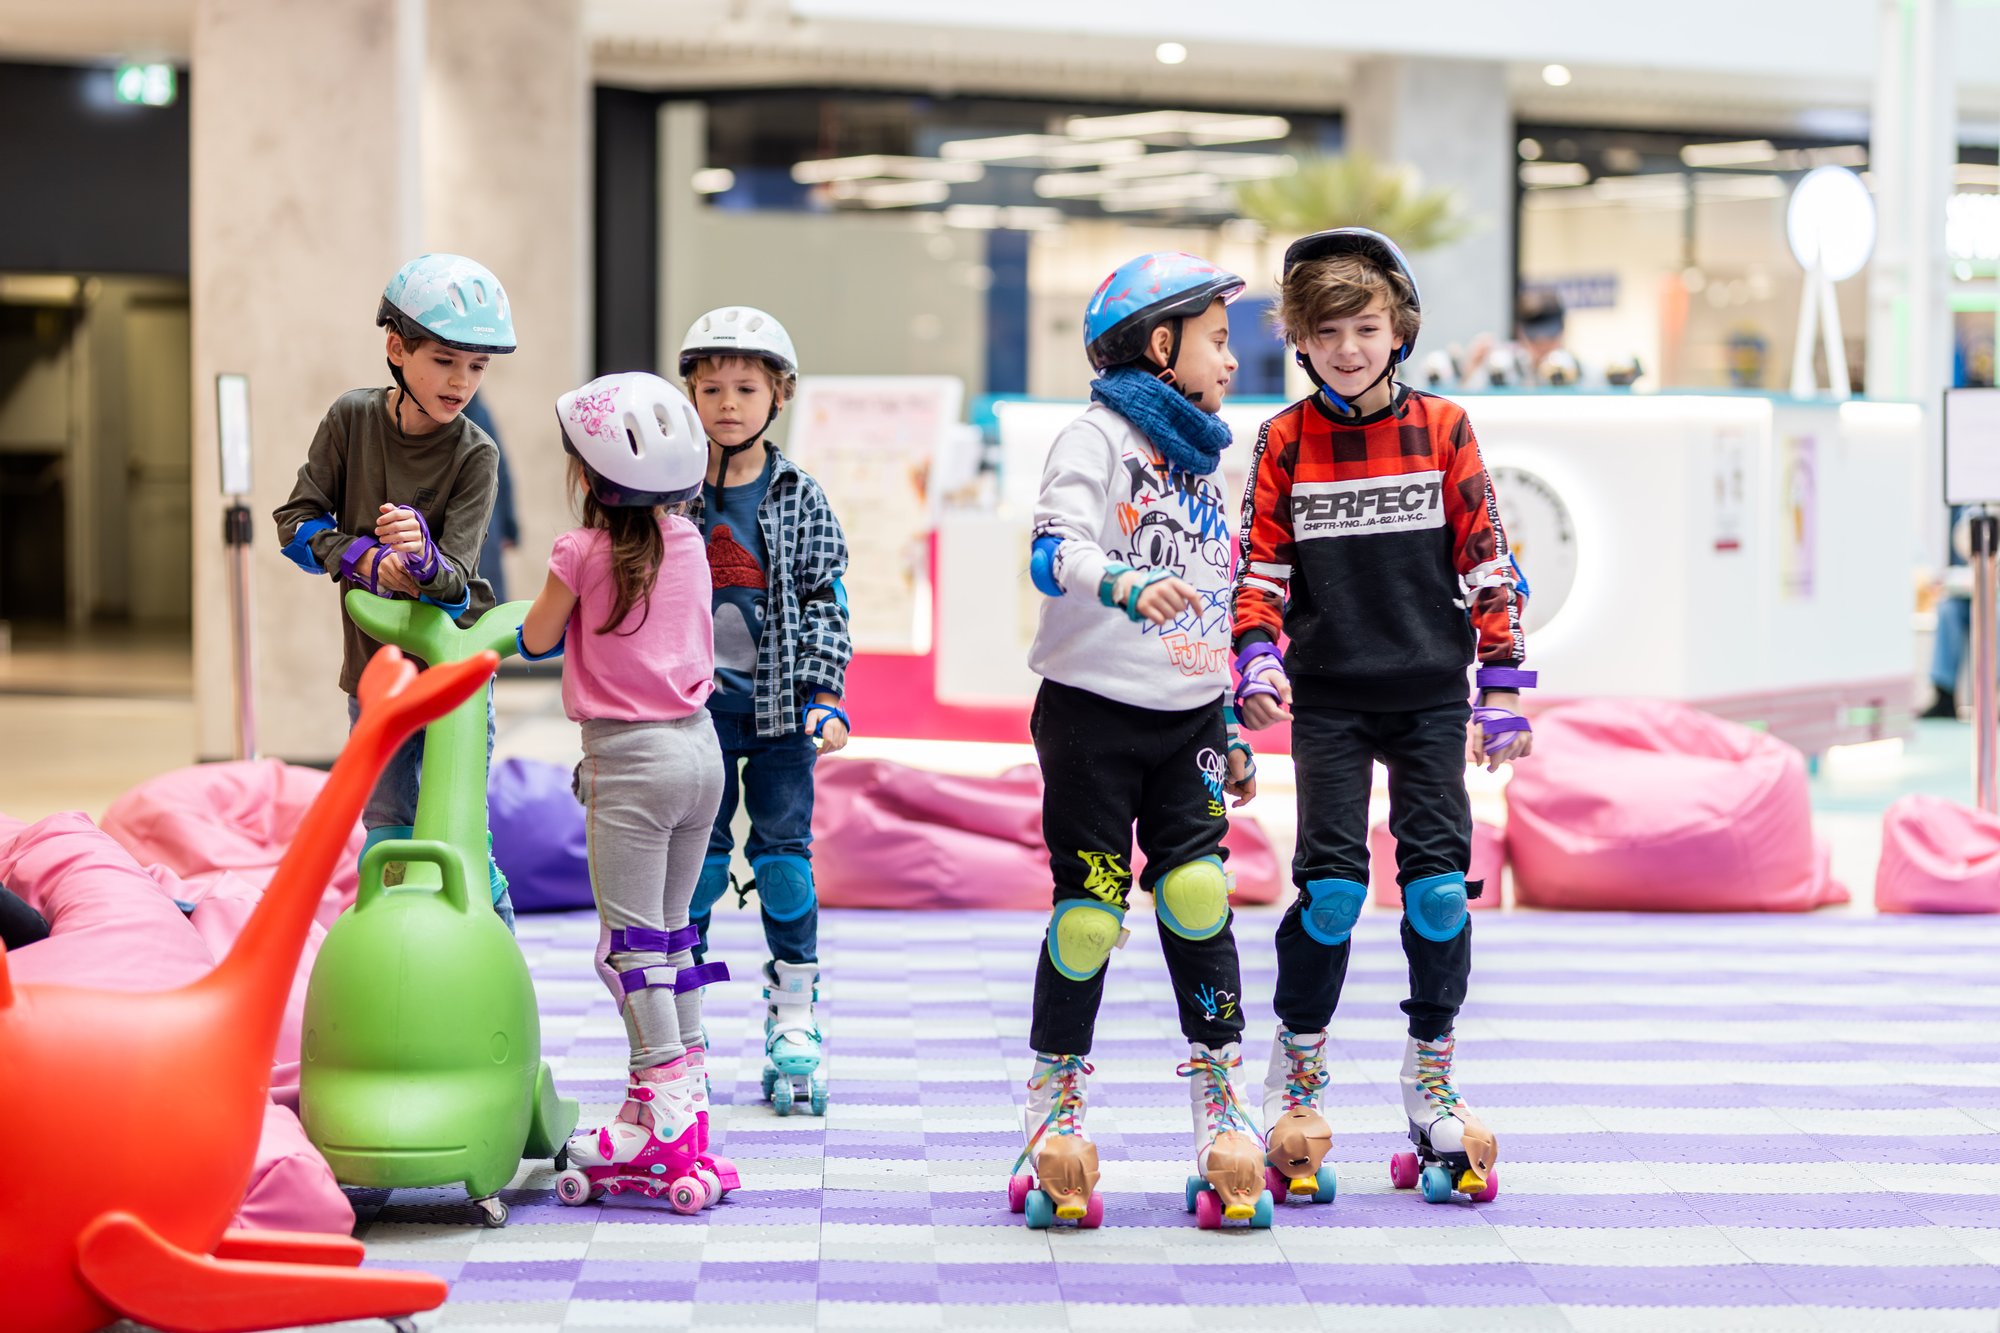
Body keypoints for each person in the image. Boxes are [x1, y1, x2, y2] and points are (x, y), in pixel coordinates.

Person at [1232, 228, 1535, 1208]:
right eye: (1328, 332)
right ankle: (1298, 1079)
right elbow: (1262, 569)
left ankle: (1428, 1072)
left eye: (1365, 327)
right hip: (1327, 696)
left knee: (1441, 890)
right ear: (1300, 342)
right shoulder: (1281, 440)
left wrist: (1501, 686)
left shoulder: (1444, 427)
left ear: (1396, 329)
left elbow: (1486, 556)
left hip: (1426, 692)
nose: (1350, 347)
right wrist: (1256, 657)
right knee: (1328, 892)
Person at [1009, 252, 1262, 1231]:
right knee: (1088, 914)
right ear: (1160, 346)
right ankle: (1053, 1110)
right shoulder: (1094, 438)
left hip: (1190, 713)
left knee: (1197, 894)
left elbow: (1217, 588)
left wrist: (1231, 717)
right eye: (1214, 339)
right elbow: (1049, 548)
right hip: (1090, 707)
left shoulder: (1209, 455)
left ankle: (1218, 1103)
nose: (1231, 361)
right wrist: (1115, 583)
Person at [520, 371, 734, 1212]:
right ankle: (674, 1105)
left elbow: (538, 635)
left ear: (585, 476)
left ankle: (666, 1100)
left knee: (628, 949)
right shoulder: (687, 540)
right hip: (702, 759)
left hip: (631, 766)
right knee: (672, 941)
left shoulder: (578, 553)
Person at [272, 253, 516, 925]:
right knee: (385, 829)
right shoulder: (351, 420)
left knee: (459, 836)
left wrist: (419, 555)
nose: (461, 381)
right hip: (375, 674)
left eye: (477, 366)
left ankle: (497, 968)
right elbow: (294, 523)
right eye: (445, 360)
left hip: (453, 674)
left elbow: (456, 582)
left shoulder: (476, 453)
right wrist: (361, 558)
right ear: (396, 347)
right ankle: (394, 974)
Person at [678, 307, 852, 1117]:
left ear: (777, 394)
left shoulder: (800, 496)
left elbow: (826, 599)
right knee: (700, 868)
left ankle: (794, 1015)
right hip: (694, 714)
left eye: (745, 387)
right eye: (709, 387)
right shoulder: (668, 497)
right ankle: (685, 1024)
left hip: (784, 715)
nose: (727, 403)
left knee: (783, 859)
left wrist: (825, 695)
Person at [463, 396, 520, 603]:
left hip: (485, 521)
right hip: (470, 524)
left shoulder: (478, 412)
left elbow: (499, 468)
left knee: (486, 599)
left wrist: (508, 526)